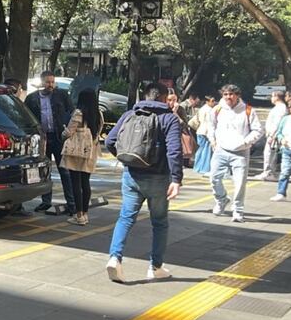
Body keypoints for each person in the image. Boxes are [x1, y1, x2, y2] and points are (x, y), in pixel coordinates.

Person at [104, 82, 183, 283]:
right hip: (158, 178)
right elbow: (174, 150)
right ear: (165, 98)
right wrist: (176, 179)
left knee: (125, 218)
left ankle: (115, 258)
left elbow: (109, 141)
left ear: (146, 96)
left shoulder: (129, 115)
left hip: (131, 175)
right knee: (159, 222)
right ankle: (155, 267)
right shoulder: (169, 119)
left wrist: (125, 159)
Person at [209, 84, 263, 223]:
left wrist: (246, 142)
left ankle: (238, 210)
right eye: (226, 94)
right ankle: (221, 200)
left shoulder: (248, 110)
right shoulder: (217, 109)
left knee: (240, 183)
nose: (229, 97)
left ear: (238, 95)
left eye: (231, 94)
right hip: (220, 150)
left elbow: (258, 130)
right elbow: (211, 126)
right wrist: (213, 141)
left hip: (240, 153)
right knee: (214, 178)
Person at [24, 71, 75, 214]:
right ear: (41, 82)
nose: (51, 85)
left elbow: (72, 112)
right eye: (47, 82)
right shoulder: (32, 98)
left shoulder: (62, 95)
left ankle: (71, 203)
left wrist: (68, 131)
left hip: (58, 138)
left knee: (64, 171)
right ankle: (46, 201)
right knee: (44, 172)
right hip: (42, 140)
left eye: (52, 82)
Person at [60, 90, 101, 226]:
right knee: (85, 183)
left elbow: (69, 132)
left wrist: (62, 135)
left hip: (76, 152)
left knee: (75, 183)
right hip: (91, 152)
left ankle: (78, 215)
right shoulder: (98, 114)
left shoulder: (78, 113)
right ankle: (85, 214)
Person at [253, 90, 287, 181]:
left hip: (274, 135)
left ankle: (269, 172)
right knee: (268, 153)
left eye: (272, 96)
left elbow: (277, 123)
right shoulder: (278, 107)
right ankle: (268, 172)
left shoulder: (281, 108)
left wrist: (272, 135)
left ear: (277, 97)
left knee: (270, 154)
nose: (271, 98)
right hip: (271, 134)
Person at [271, 102, 291, 201]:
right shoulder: (286, 120)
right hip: (288, 149)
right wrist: (282, 139)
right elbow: (279, 133)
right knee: (285, 172)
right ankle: (281, 193)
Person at [193, 95, 217, 175]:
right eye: (212, 101)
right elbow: (209, 123)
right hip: (206, 132)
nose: (214, 103)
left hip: (200, 131)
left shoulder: (202, 109)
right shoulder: (210, 110)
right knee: (206, 151)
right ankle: (204, 168)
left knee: (201, 149)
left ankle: (197, 166)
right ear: (207, 101)